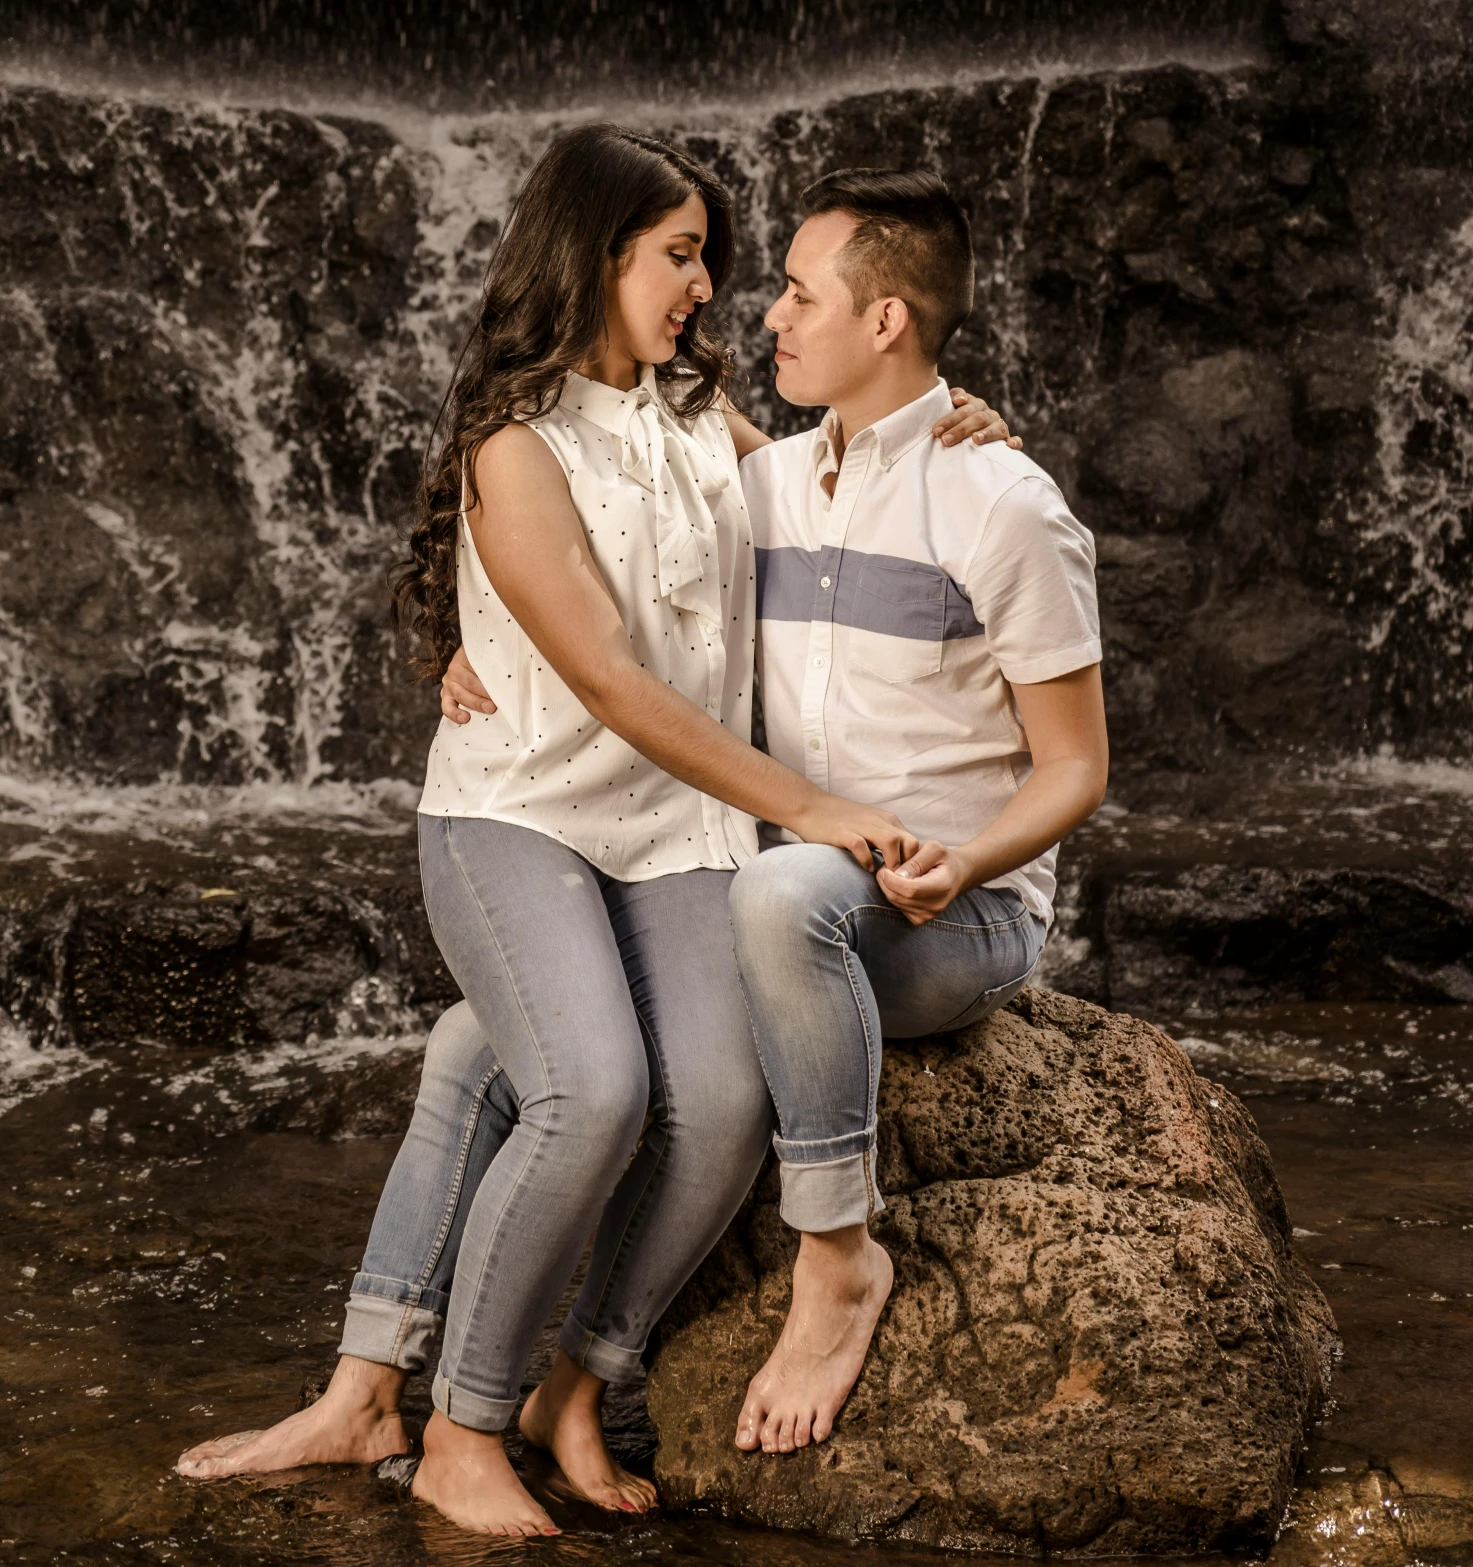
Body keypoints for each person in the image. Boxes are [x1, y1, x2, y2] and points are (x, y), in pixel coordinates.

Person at [173, 127, 1009, 1536]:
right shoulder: (515, 444)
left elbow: (839, 474)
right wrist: (810, 806)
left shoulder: (701, 417)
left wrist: (950, 419)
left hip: (673, 831)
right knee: (592, 1091)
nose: (707, 288)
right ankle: (457, 1427)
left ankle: (558, 1377)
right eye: (679, 255)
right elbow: (612, 683)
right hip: (518, 820)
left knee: (724, 1098)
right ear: (594, 250)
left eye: (710, 259)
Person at [439, 169, 1107, 1460]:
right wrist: (454, 646)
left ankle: (839, 1259)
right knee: (492, 1039)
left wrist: (963, 861)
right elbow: (569, 557)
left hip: (943, 908)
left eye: (799, 295)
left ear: (888, 322)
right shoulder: (768, 485)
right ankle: (420, 1370)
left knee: (778, 894)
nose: (765, 318)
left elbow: (1077, 772)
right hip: (784, 878)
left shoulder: (1007, 506)